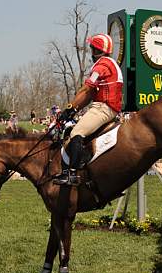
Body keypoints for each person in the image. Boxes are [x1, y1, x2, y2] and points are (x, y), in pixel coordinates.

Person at [53, 33, 123, 186]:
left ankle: (71, 174)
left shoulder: (102, 65)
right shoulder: (110, 63)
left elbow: (86, 90)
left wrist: (70, 108)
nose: (91, 51)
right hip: (106, 107)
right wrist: (72, 109)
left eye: (92, 48)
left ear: (98, 50)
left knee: (76, 132)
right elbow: (89, 95)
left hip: (103, 108)